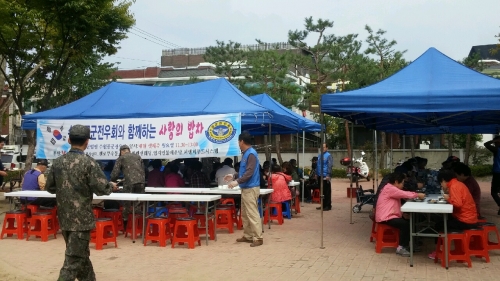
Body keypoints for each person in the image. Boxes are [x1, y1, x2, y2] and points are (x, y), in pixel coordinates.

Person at [45, 124, 118, 280]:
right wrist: (111, 186)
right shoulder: (89, 163)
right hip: (81, 221)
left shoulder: (57, 162)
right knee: (73, 262)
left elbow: (50, 187)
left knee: (80, 257)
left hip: (64, 219)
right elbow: (102, 189)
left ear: (69, 140)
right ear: (87, 141)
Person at [224, 131, 263, 247]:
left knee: (252, 213)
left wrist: (236, 182)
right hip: (246, 188)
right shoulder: (246, 153)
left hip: (250, 188)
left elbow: (249, 172)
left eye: (238, 141)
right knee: (245, 214)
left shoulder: (251, 154)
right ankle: (248, 235)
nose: (238, 143)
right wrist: (234, 176)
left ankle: (258, 237)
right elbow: (244, 171)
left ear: (242, 141)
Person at [428, 169, 478, 259]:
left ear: (443, 180)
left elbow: (458, 204)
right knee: (443, 220)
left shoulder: (454, 186)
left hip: (465, 220)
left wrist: (448, 199)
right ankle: (444, 249)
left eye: (441, 183)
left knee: (440, 225)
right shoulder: (458, 184)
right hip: (470, 217)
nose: (441, 185)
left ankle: (440, 251)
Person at [375, 173, 425, 257]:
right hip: (385, 217)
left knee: (409, 221)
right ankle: (401, 247)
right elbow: (404, 194)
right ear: (396, 182)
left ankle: (410, 244)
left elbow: (400, 197)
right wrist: (417, 195)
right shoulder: (390, 188)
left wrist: (402, 214)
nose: (403, 185)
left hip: (389, 215)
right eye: (402, 183)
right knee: (405, 225)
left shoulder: (389, 187)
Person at [110, 145, 145, 229]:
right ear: (129, 150)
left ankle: (126, 226)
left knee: (127, 204)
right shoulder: (138, 156)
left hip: (129, 183)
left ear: (121, 152)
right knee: (138, 204)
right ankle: (140, 226)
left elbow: (115, 173)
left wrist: (112, 182)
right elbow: (143, 170)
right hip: (141, 182)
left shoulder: (121, 158)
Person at [485, 135, 500, 215]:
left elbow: (486, 144)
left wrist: (494, 141)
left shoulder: (497, 150)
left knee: (493, 192)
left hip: (498, 173)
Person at [316, 143, 333, 211]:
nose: (322, 148)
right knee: (321, 191)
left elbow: (329, 166)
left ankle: (328, 205)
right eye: (321, 147)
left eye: (324, 147)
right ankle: (323, 205)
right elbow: (318, 165)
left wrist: (328, 175)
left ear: (327, 148)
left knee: (326, 191)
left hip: (325, 176)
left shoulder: (328, 156)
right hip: (320, 175)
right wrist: (316, 174)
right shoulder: (319, 155)